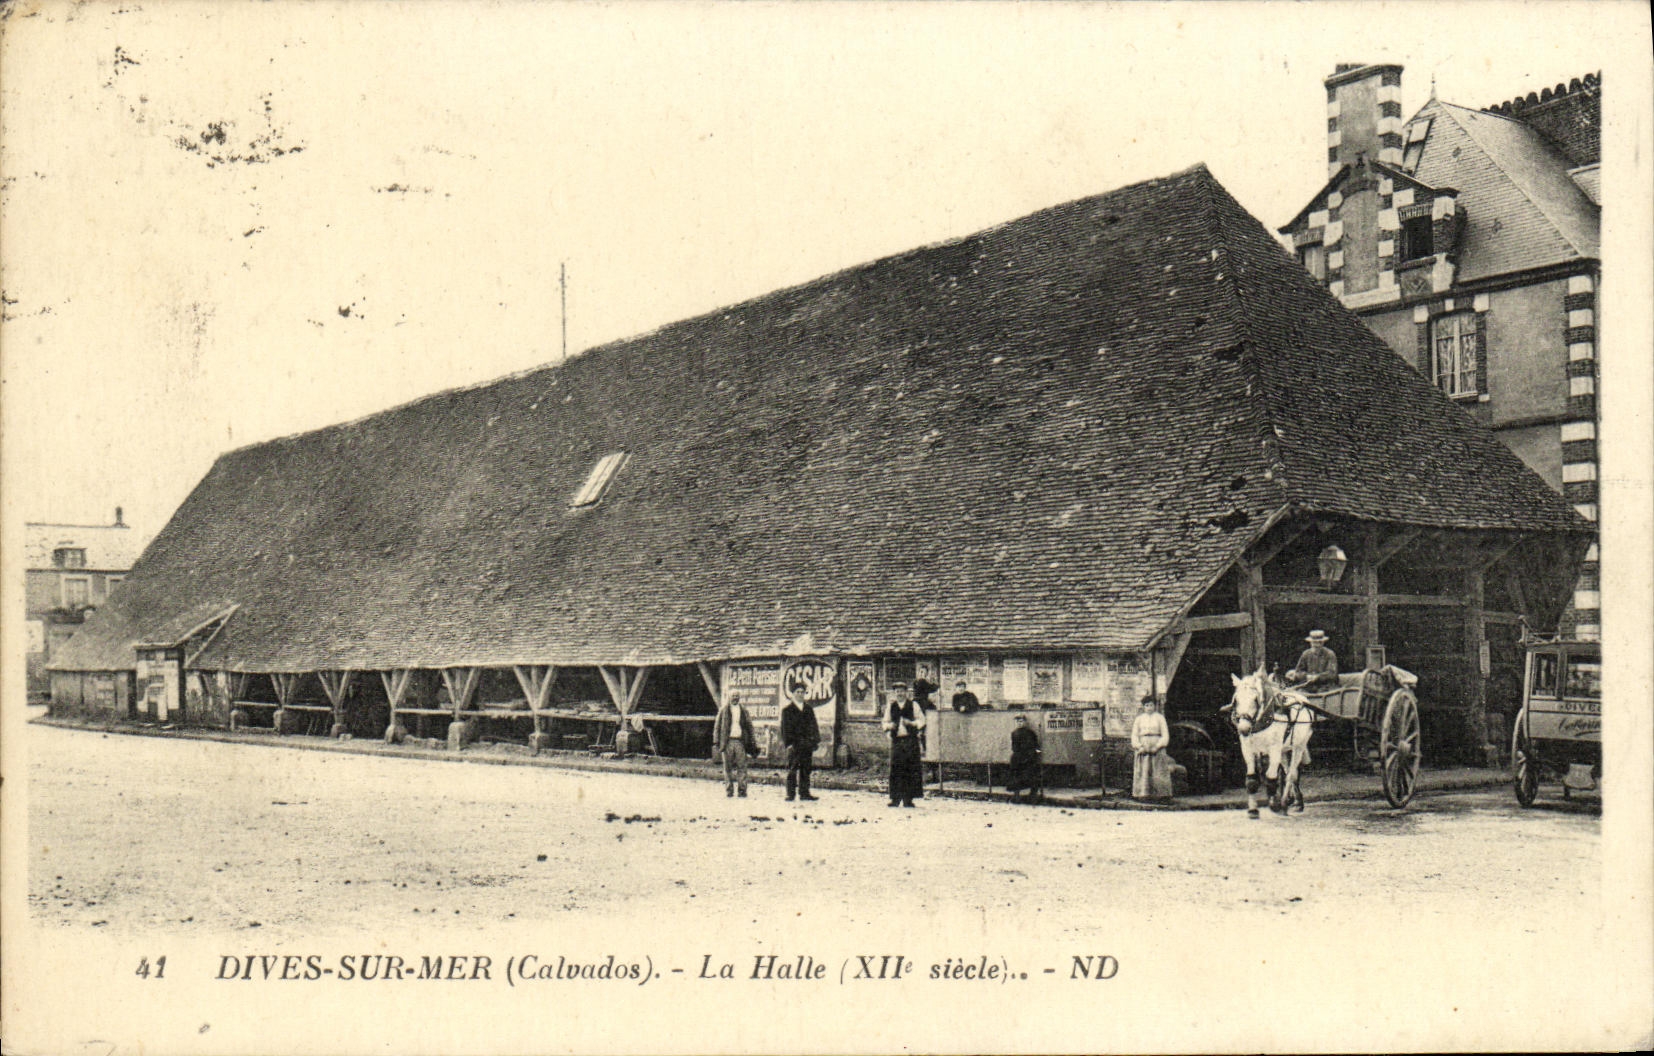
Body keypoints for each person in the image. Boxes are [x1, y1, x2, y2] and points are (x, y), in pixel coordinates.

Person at [881, 682, 925, 807]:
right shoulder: (891, 706)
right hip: (897, 741)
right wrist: (891, 726)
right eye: (897, 691)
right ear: (894, 693)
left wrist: (911, 723)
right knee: (896, 769)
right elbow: (884, 722)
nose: (899, 694)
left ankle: (908, 799)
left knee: (910, 769)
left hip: (910, 741)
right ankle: (895, 798)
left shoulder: (914, 705)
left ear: (906, 692)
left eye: (901, 691)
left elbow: (922, 720)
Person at [1130, 694, 1174, 801]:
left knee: (1158, 770)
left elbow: (1165, 735)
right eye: (1147, 705)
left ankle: (1161, 795)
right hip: (1143, 746)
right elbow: (1134, 735)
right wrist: (1139, 746)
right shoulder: (1139, 719)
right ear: (1143, 707)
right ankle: (1143, 795)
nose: (1149, 708)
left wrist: (1158, 746)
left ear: (1155, 706)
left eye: (1151, 705)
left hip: (1157, 746)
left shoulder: (1160, 718)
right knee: (1144, 771)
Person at [712, 695, 756, 798]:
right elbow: (717, 726)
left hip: (740, 741)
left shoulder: (744, 711)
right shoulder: (724, 710)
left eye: (737, 696)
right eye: (733, 696)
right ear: (729, 697)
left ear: (739, 697)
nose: (735, 698)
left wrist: (752, 741)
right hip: (727, 742)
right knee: (728, 768)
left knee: (742, 766)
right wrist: (716, 741)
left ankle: (742, 790)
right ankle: (729, 790)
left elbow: (749, 726)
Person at [779, 696, 821, 802]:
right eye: (797, 692)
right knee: (792, 769)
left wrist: (815, 741)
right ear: (793, 694)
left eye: (802, 692)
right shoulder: (787, 710)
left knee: (806, 769)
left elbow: (814, 726)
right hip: (794, 744)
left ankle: (804, 793)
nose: (800, 694)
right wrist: (788, 743)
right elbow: (784, 728)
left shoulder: (808, 709)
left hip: (807, 744)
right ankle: (790, 794)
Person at [1005, 713, 1042, 802]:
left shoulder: (1030, 733)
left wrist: (1035, 752)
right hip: (1018, 757)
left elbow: (1036, 744)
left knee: (1032, 775)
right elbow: (1014, 747)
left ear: (1025, 722)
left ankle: (1033, 796)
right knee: (1016, 776)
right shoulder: (1014, 733)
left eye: (1021, 721)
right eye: (1018, 722)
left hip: (1029, 757)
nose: (1019, 723)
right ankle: (1016, 795)